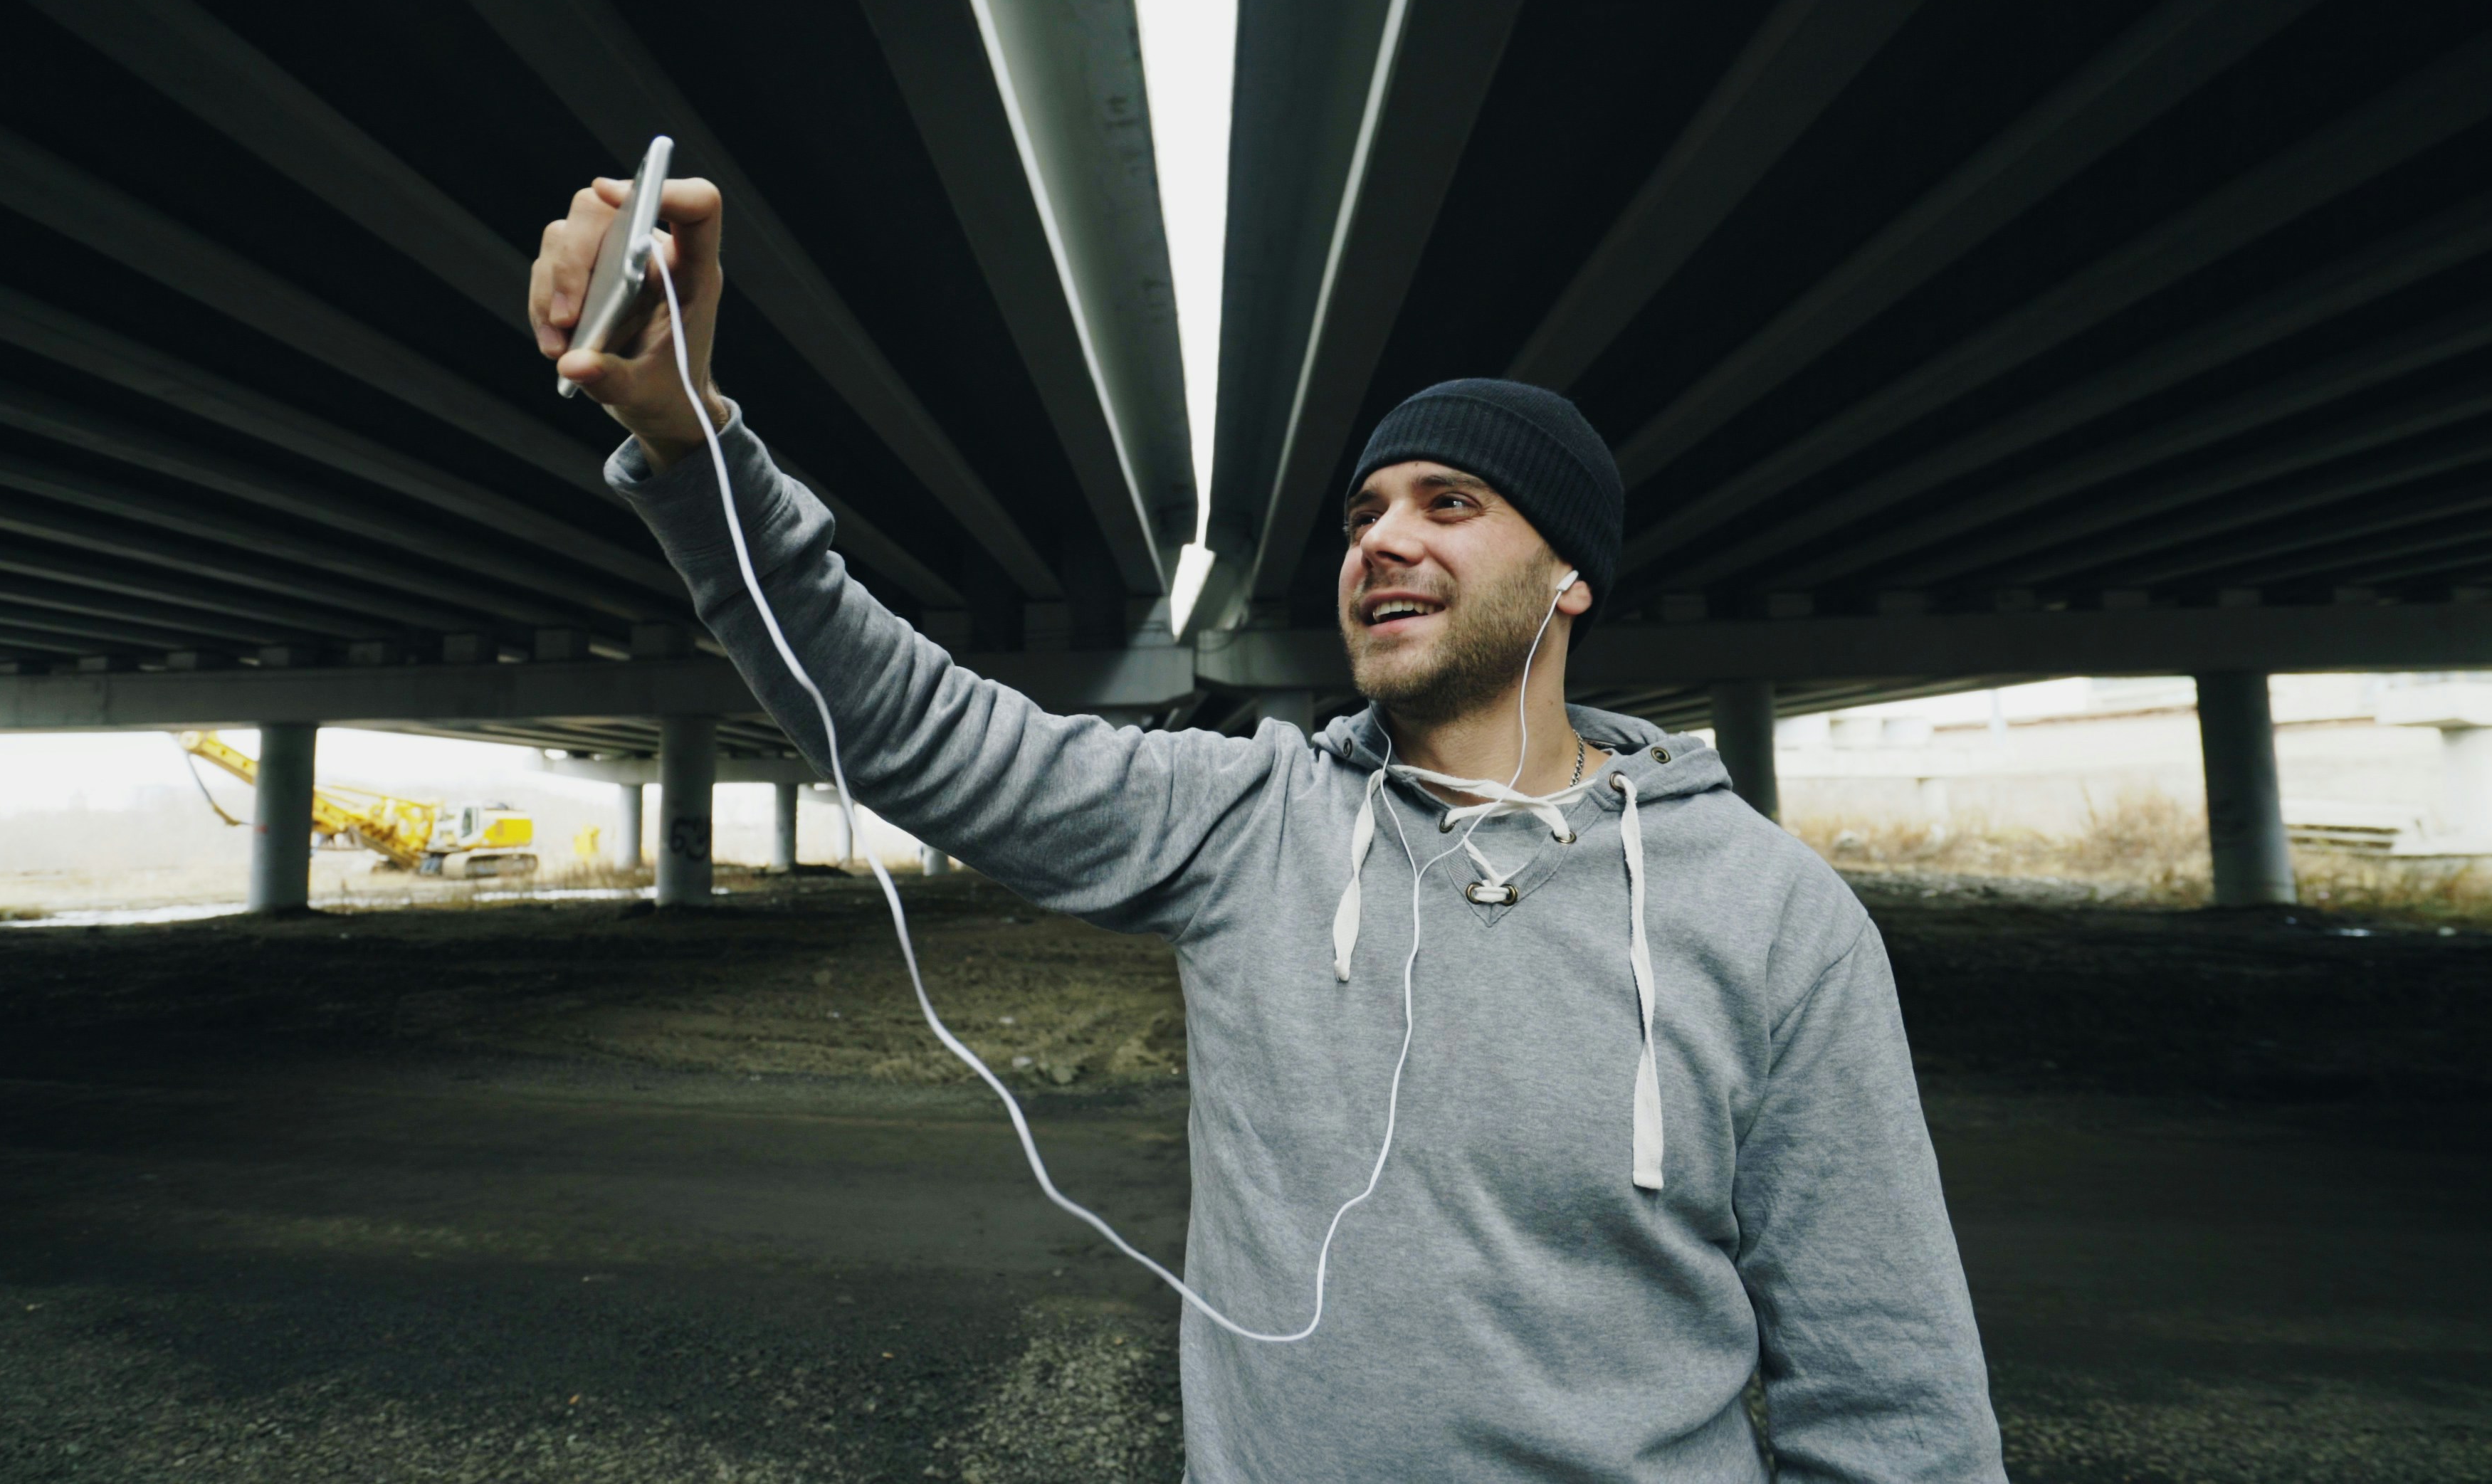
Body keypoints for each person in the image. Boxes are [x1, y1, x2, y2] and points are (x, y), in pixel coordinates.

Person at [530, 174, 2007, 1480]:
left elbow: (1890, 1380)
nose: (1382, 539)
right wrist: (691, 441)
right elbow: (916, 725)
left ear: (1571, 578)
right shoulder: (1253, 818)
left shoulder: (1767, 912)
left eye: (1452, 502)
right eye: (1366, 511)